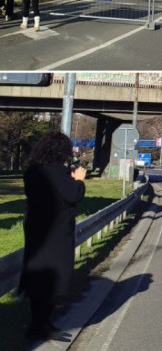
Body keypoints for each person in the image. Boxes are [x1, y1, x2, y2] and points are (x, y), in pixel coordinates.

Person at [19, 132, 87, 341]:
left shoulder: (31, 171)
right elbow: (73, 195)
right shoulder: (58, 172)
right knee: (54, 278)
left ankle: (39, 324)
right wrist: (79, 180)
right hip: (57, 232)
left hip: (36, 229)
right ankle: (39, 327)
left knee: (38, 276)